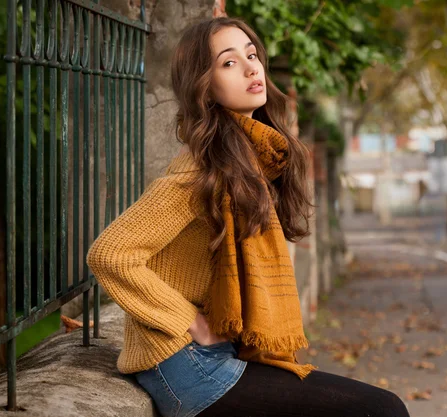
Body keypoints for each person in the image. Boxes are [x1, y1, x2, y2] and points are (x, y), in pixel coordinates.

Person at [86, 16, 410, 417]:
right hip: (186, 366)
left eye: (251, 55)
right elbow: (110, 254)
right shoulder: (199, 172)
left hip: (215, 355)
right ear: (204, 87)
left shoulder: (245, 161)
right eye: (228, 62)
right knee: (381, 410)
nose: (250, 67)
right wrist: (190, 321)